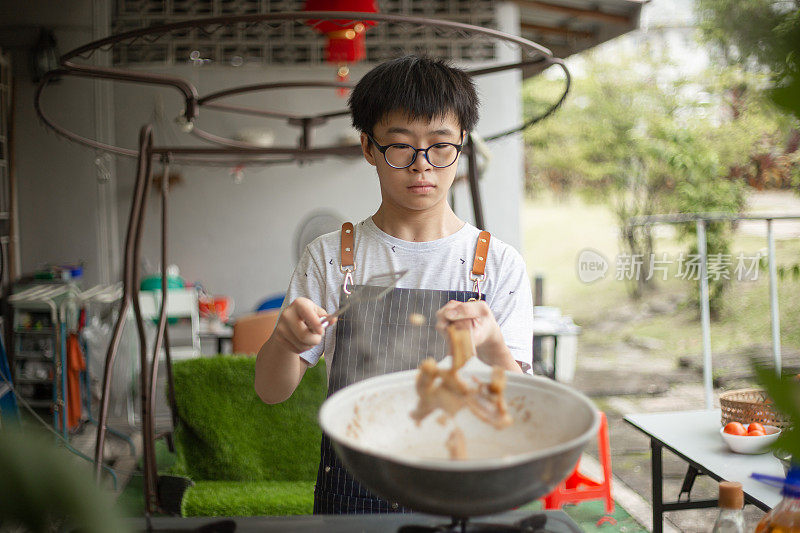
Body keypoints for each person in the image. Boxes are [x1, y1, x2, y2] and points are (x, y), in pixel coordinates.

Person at [255, 54, 533, 514]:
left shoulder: (497, 264)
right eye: (400, 146)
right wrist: (285, 343)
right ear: (368, 148)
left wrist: (494, 350)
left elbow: (519, 411)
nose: (422, 166)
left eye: (440, 146)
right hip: (353, 489)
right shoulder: (331, 256)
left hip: (464, 485)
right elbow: (271, 391)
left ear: (462, 144)